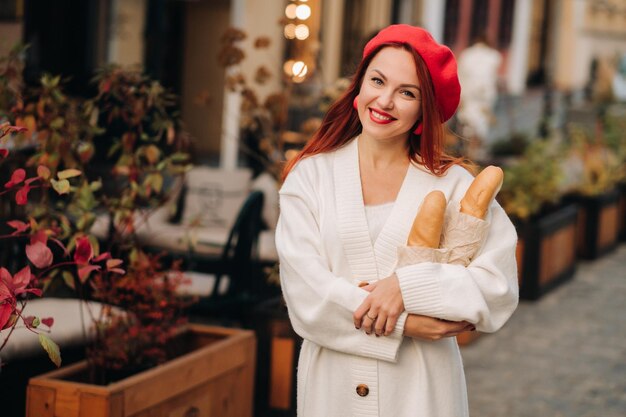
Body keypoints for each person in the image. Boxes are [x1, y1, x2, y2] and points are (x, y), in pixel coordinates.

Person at [275, 24, 518, 417]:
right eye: (377, 81)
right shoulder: (310, 177)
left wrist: (407, 287)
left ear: (425, 110)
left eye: (407, 93)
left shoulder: (456, 186)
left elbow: (497, 287)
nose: (384, 101)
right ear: (358, 88)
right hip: (332, 392)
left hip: (420, 393)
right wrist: (406, 324)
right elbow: (306, 295)